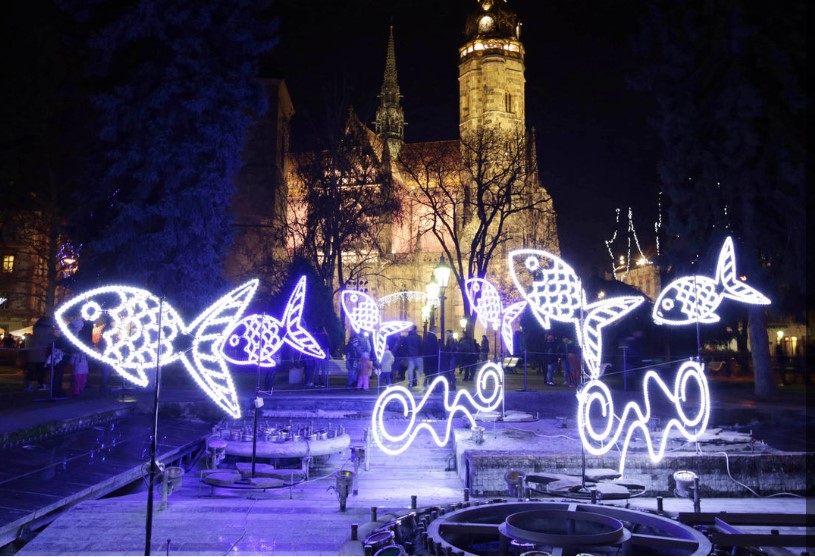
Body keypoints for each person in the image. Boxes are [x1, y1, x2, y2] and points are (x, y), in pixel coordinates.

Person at [24, 316, 55, 392]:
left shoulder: (36, 328)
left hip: (33, 352)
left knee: (32, 370)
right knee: (42, 370)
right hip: (43, 353)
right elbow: (49, 340)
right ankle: (41, 385)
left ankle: (28, 385)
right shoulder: (48, 330)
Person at [69, 317, 92, 396]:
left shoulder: (78, 333)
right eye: (80, 327)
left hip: (81, 359)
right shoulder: (75, 334)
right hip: (79, 359)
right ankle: (76, 390)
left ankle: (79, 389)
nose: (80, 329)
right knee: (78, 376)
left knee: (81, 375)